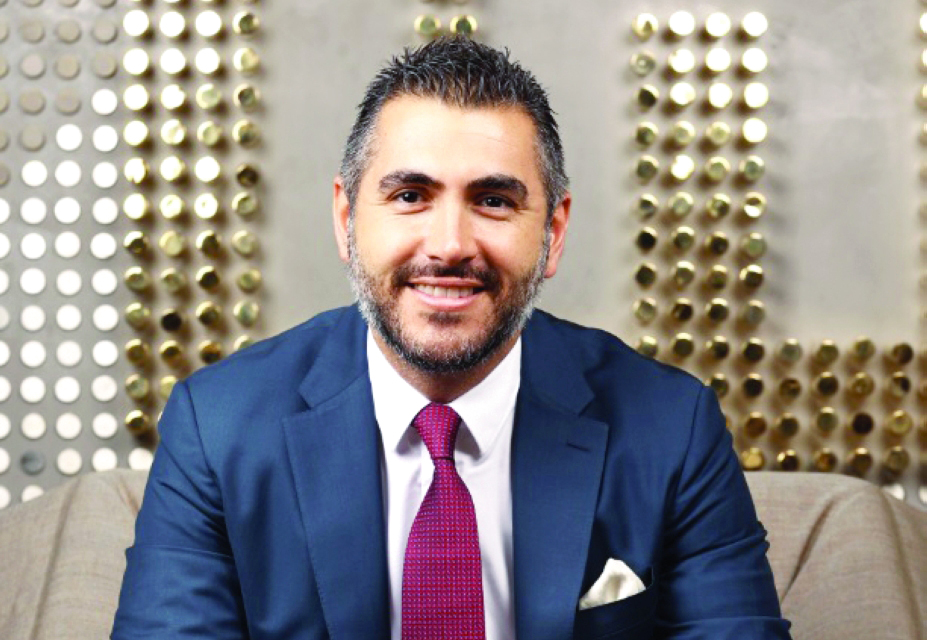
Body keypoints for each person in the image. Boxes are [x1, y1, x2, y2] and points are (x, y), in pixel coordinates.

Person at [112, 36, 791, 640]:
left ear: (552, 233)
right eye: (410, 195)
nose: (448, 245)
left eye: (493, 200)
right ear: (346, 219)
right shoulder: (218, 427)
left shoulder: (672, 427)